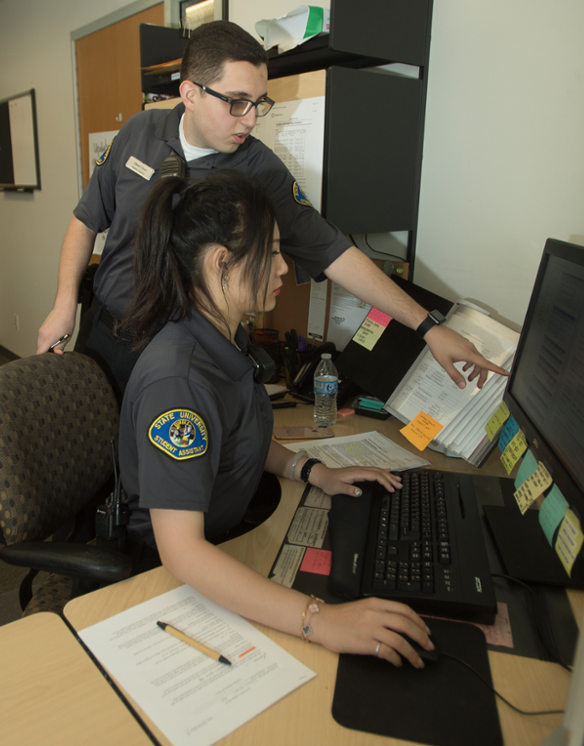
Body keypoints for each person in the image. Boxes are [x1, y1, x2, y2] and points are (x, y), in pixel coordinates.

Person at [37, 20, 507, 399]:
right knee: (93, 461)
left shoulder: (257, 168)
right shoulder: (139, 132)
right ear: (190, 93)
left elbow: (331, 250)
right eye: (237, 102)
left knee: (166, 482)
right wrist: (63, 305)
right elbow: (85, 219)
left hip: (184, 352)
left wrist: (426, 326)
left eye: (259, 102)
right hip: (106, 332)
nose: (252, 119)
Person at [118, 170, 434, 668]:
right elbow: (182, 554)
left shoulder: (223, 333)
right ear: (221, 262)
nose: (285, 268)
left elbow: (237, 434)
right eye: (271, 253)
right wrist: (318, 619)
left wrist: (311, 471)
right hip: (172, 574)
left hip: (230, 534)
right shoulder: (177, 383)